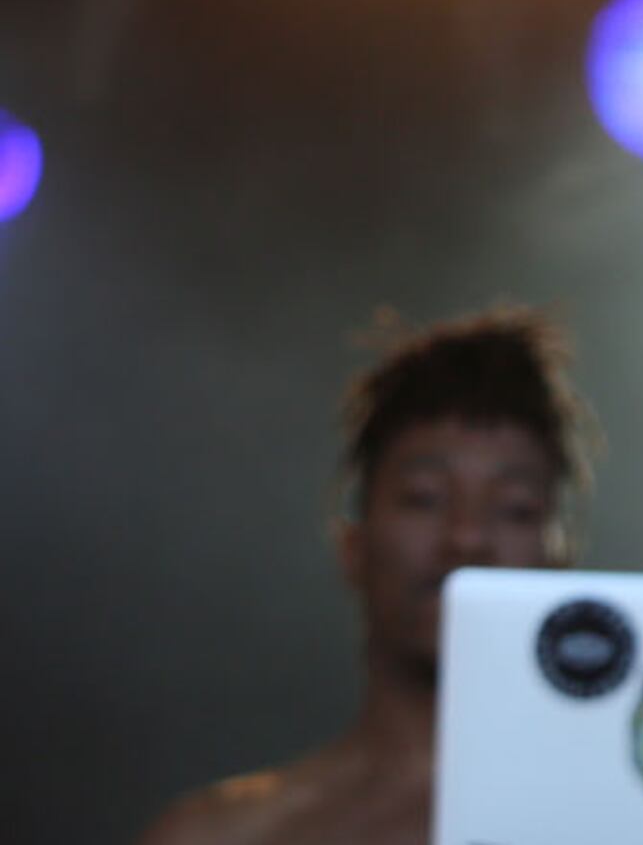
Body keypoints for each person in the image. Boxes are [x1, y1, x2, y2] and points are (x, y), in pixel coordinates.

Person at [134, 309, 597, 845]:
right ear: (353, 545)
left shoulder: (636, 823)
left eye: (515, 509)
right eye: (425, 498)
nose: (468, 537)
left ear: (560, 564)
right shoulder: (216, 837)